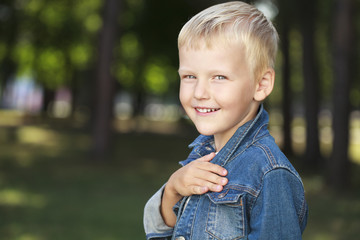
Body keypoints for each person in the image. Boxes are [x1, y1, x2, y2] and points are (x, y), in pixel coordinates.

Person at [143, 1, 308, 239]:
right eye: (189, 76)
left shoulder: (270, 175)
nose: (199, 92)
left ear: (261, 85)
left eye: (219, 77)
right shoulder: (202, 154)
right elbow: (166, 230)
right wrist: (172, 190)